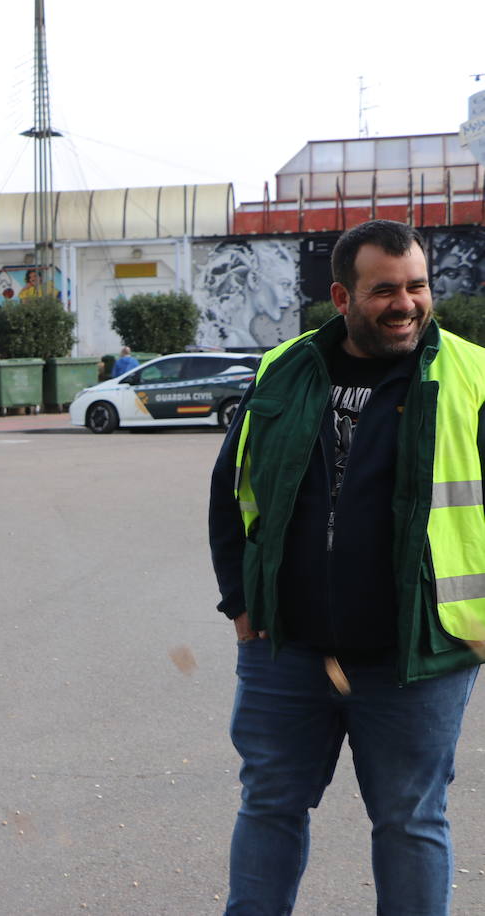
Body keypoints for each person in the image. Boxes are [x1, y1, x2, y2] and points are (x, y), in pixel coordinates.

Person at [209, 219, 485, 915]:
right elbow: (232, 491)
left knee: (410, 821)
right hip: (286, 651)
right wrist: (243, 605)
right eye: (384, 289)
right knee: (270, 806)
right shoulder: (285, 369)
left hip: (418, 655)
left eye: (418, 286)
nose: (406, 303)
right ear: (342, 296)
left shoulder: (474, 377)